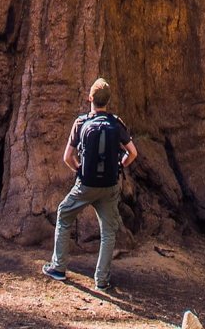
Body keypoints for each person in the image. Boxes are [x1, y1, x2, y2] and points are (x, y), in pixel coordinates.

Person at [42, 78, 138, 291]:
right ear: (108, 101)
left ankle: (58, 267)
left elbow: (67, 156)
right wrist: (121, 165)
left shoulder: (81, 122)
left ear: (90, 99)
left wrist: (79, 169)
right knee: (108, 231)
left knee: (64, 215)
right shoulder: (116, 123)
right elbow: (133, 152)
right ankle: (101, 280)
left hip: (85, 185)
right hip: (110, 187)